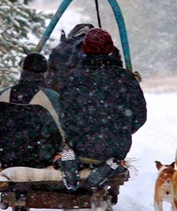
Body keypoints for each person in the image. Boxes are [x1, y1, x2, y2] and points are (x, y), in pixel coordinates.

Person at [58, 28, 146, 190]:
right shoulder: (125, 78)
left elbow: (64, 114)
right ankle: (112, 162)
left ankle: (73, 160)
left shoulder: (72, 77)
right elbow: (140, 116)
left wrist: (77, 130)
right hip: (116, 142)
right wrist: (122, 130)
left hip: (80, 142)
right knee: (115, 152)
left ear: (84, 49)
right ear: (110, 49)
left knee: (73, 148)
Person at [0, 53, 63, 169]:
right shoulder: (50, 97)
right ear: (45, 72)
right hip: (40, 159)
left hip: (6, 158)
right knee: (70, 152)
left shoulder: (4, 95)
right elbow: (63, 131)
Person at [45, 23, 94, 93]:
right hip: (88, 94)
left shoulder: (60, 49)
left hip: (60, 92)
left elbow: (50, 76)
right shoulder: (97, 49)